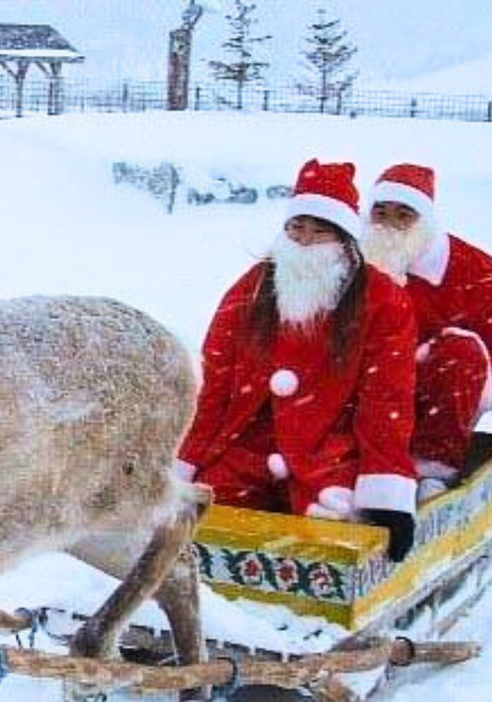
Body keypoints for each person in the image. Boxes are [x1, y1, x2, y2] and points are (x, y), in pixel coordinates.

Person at [175, 159, 419, 561]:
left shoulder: (383, 301)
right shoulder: (253, 288)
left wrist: (387, 496)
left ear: (344, 239)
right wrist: (184, 465)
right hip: (245, 443)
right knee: (205, 518)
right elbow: (214, 382)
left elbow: (386, 401)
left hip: (331, 451)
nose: (304, 241)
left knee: (328, 538)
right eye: (296, 228)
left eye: (319, 232)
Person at [363, 163, 492, 492]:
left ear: (425, 220)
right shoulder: (352, 260)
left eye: (404, 214)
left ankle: (432, 470)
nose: (389, 224)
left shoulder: (472, 268)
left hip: (437, 384)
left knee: (460, 352)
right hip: (374, 384)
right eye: (381, 212)